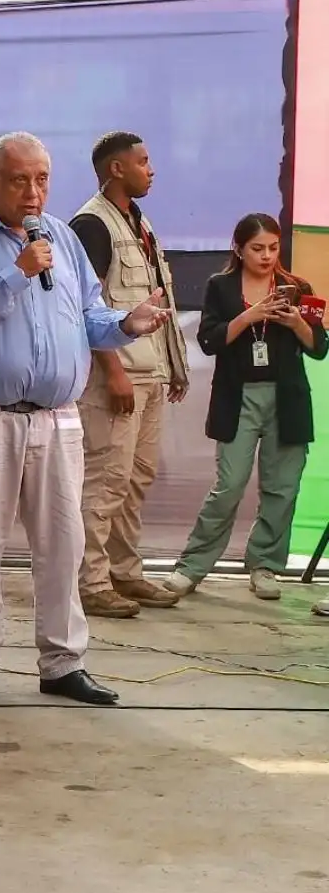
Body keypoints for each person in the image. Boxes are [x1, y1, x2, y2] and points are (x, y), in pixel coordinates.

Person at [0, 132, 173, 709]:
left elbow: (87, 315)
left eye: (42, 180)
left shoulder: (60, 235)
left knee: (63, 544)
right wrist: (15, 272)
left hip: (58, 421)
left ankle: (63, 662)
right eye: (19, 180)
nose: (33, 192)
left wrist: (125, 324)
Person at [164, 213, 328, 604]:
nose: (267, 255)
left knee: (282, 487)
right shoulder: (220, 286)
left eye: (273, 247)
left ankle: (266, 565)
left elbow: (319, 348)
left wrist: (296, 325)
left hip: (287, 399)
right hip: (238, 397)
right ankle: (192, 566)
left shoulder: (295, 287)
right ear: (239, 248)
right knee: (229, 485)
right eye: (258, 248)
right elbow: (209, 341)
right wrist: (248, 316)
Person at [68, 132, 191, 616]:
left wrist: (172, 367)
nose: (151, 169)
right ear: (116, 169)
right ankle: (91, 582)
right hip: (117, 378)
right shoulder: (92, 224)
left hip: (149, 376)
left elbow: (155, 301)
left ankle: (125, 572)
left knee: (136, 479)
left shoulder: (138, 222)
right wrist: (114, 371)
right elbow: (86, 306)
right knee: (105, 480)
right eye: (143, 161)